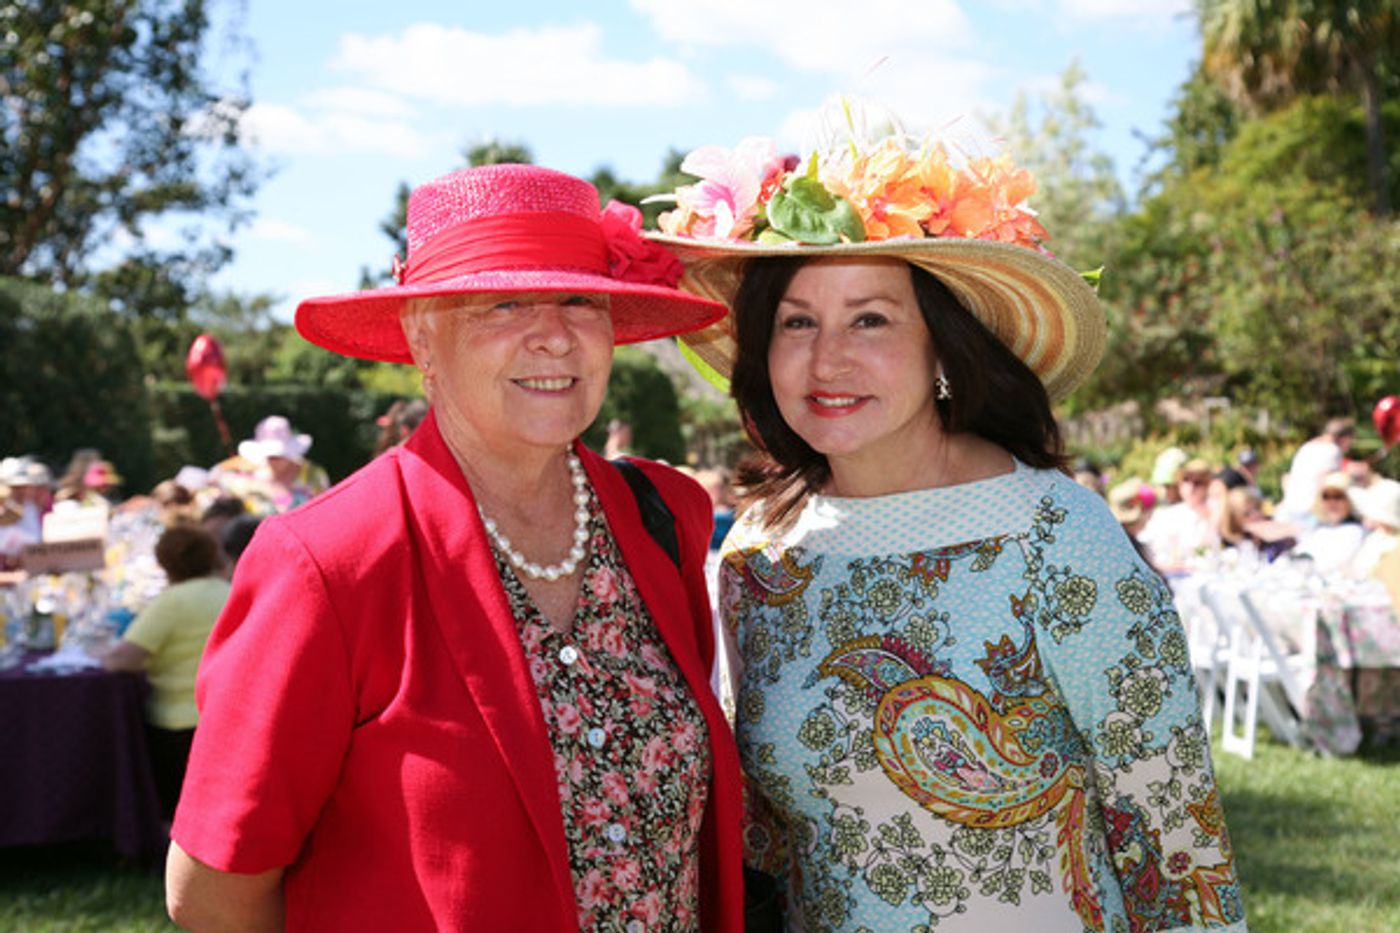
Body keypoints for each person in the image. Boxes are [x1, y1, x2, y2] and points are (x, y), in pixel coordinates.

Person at [652, 115, 1244, 931]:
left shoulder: (1051, 532)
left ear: (942, 347)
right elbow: (769, 842)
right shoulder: (759, 551)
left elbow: (1177, 838)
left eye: (871, 318)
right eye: (797, 321)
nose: (829, 358)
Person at [165, 163, 745, 931]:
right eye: (505, 303)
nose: (554, 333)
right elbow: (210, 888)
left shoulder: (663, 515)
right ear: (419, 335)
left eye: (580, 298)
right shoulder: (329, 560)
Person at [102, 524, 231, 819]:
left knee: (177, 810)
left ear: (163, 563)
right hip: (223, 715)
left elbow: (125, 658)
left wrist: (100, 654)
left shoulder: (171, 602)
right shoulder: (229, 591)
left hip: (176, 722)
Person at [1137, 457, 1222, 574]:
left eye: (1198, 483)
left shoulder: (1216, 511)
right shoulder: (1165, 515)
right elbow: (1145, 550)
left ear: (1207, 486)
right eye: (1186, 480)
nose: (1191, 487)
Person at [1278, 417, 1355, 524]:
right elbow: (1325, 483)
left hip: (1288, 510)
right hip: (1308, 515)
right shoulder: (1332, 450)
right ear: (1345, 438)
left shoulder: (1307, 446)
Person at [1294, 472, 1365, 577]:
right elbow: (1301, 553)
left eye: (1338, 497)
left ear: (1349, 501)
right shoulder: (1318, 529)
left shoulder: (1355, 531)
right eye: (1326, 497)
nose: (1332, 503)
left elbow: (1331, 564)